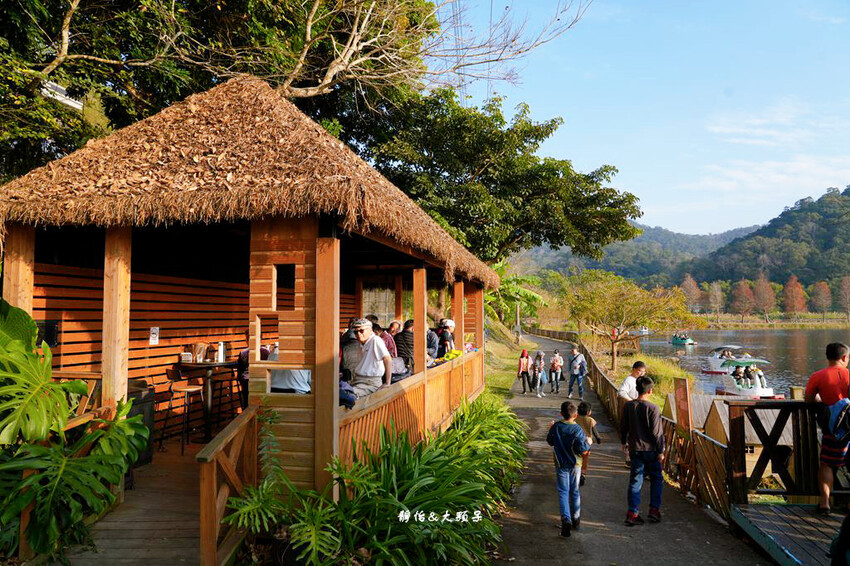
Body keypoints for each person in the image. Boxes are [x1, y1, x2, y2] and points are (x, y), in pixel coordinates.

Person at [805, 342, 850, 515]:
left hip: (833, 428)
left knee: (827, 464)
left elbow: (808, 400)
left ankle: (824, 504)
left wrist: (820, 400)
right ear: (844, 357)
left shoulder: (818, 376)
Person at [621, 376, 665, 526]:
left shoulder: (629, 406)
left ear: (637, 389)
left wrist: (623, 442)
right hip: (651, 450)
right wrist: (661, 451)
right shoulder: (653, 408)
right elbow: (657, 433)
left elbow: (623, 426)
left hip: (635, 448)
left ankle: (632, 513)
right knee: (656, 479)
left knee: (635, 480)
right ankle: (654, 510)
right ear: (650, 390)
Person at [547, 401, 590, 538]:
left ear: (561, 414)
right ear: (576, 415)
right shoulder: (578, 430)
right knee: (575, 491)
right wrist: (588, 443)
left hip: (560, 464)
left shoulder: (557, 427)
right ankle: (576, 519)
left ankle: (566, 519)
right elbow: (582, 449)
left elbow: (550, 441)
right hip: (575, 465)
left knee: (563, 492)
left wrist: (551, 428)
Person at [350, 318, 392, 398]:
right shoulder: (362, 342)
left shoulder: (375, 340)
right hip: (358, 380)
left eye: (361, 331)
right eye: (356, 332)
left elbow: (387, 358)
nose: (358, 334)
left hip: (370, 382)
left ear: (370, 330)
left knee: (349, 396)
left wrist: (387, 382)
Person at [235, 330, 269, 408]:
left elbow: (239, 373)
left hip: (247, 383)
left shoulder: (243, 353)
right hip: (262, 382)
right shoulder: (266, 352)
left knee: (247, 405)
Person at [576, 401, 601, 486]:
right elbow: (595, 431)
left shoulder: (575, 418)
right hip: (586, 443)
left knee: (575, 457)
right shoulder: (590, 420)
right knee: (585, 459)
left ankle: (575, 473)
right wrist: (598, 439)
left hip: (576, 441)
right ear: (588, 412)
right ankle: (582, 474)